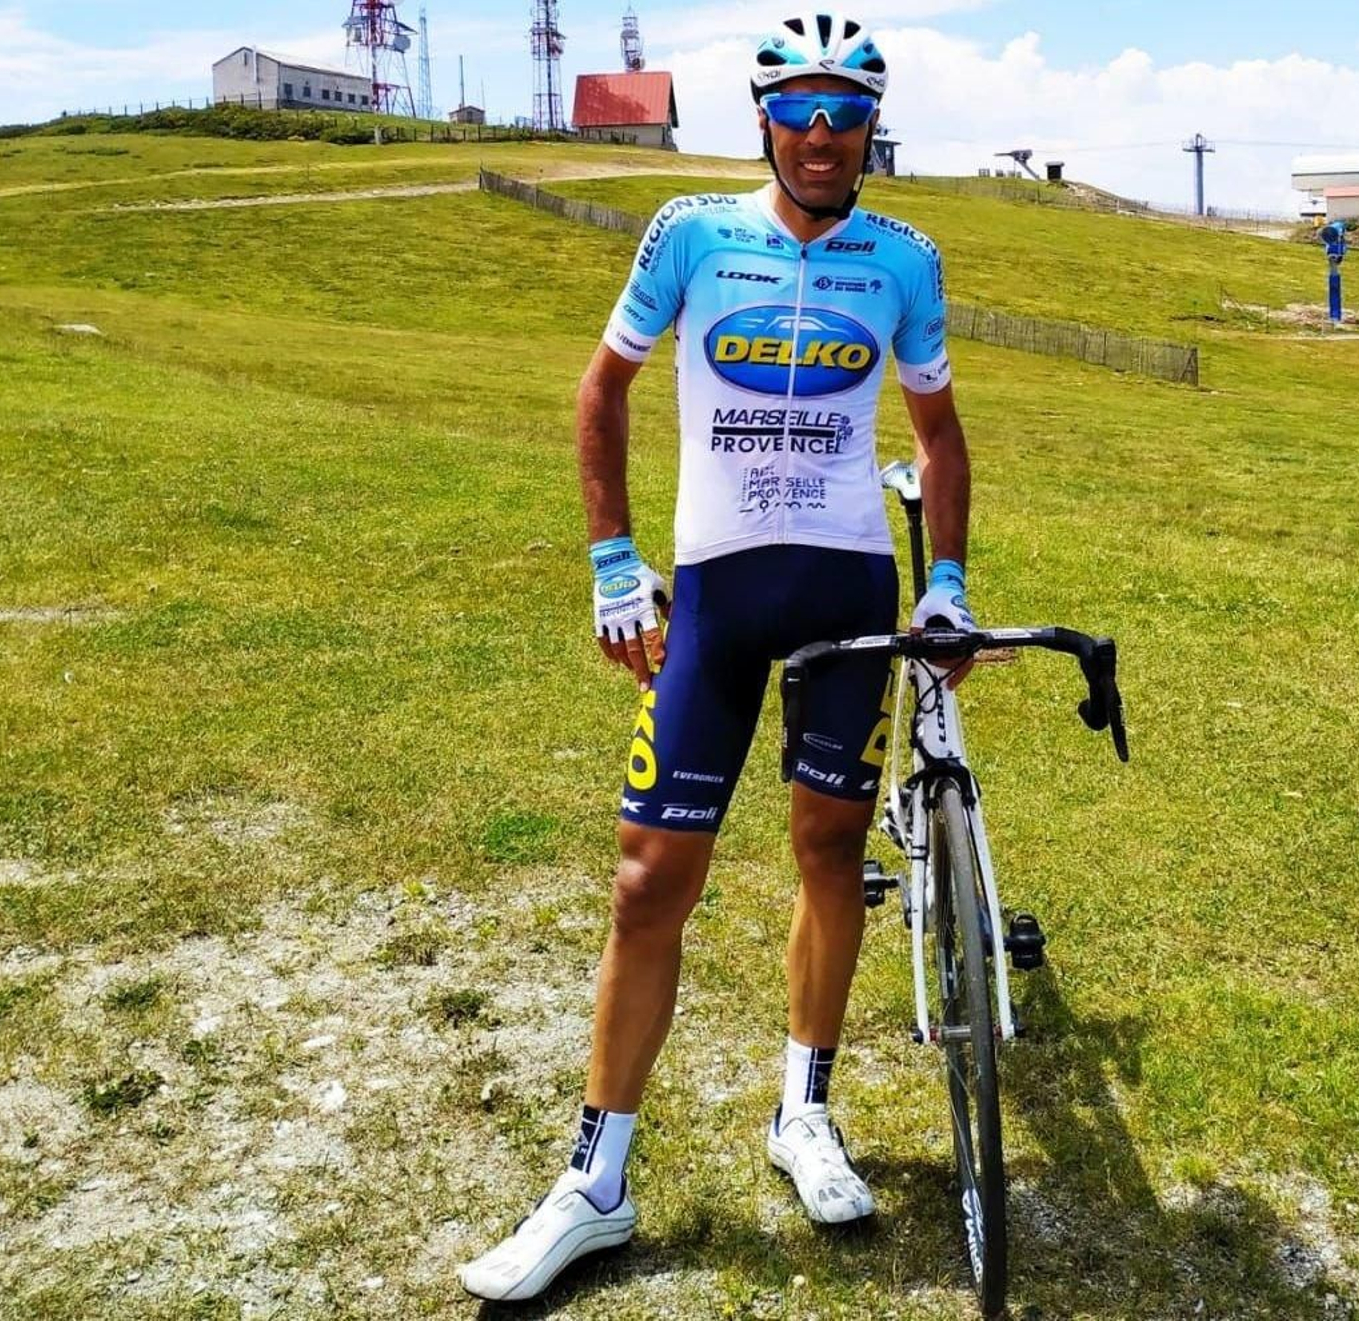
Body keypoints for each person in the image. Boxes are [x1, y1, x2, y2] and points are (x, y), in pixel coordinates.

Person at [460, 10, 975, 1303]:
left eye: (847, 110)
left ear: (872, 129)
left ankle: (804, 1109)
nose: (820, 130)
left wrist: (953, 586)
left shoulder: (906, 260)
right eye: (798, 106)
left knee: (829, 855)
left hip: (848, 589)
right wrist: (611, 567)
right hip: (716, 598)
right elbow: (600, 390)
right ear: (763, 119)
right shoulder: (692, 231)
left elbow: (944, 437)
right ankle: (598, 1180)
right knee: (647, 882)